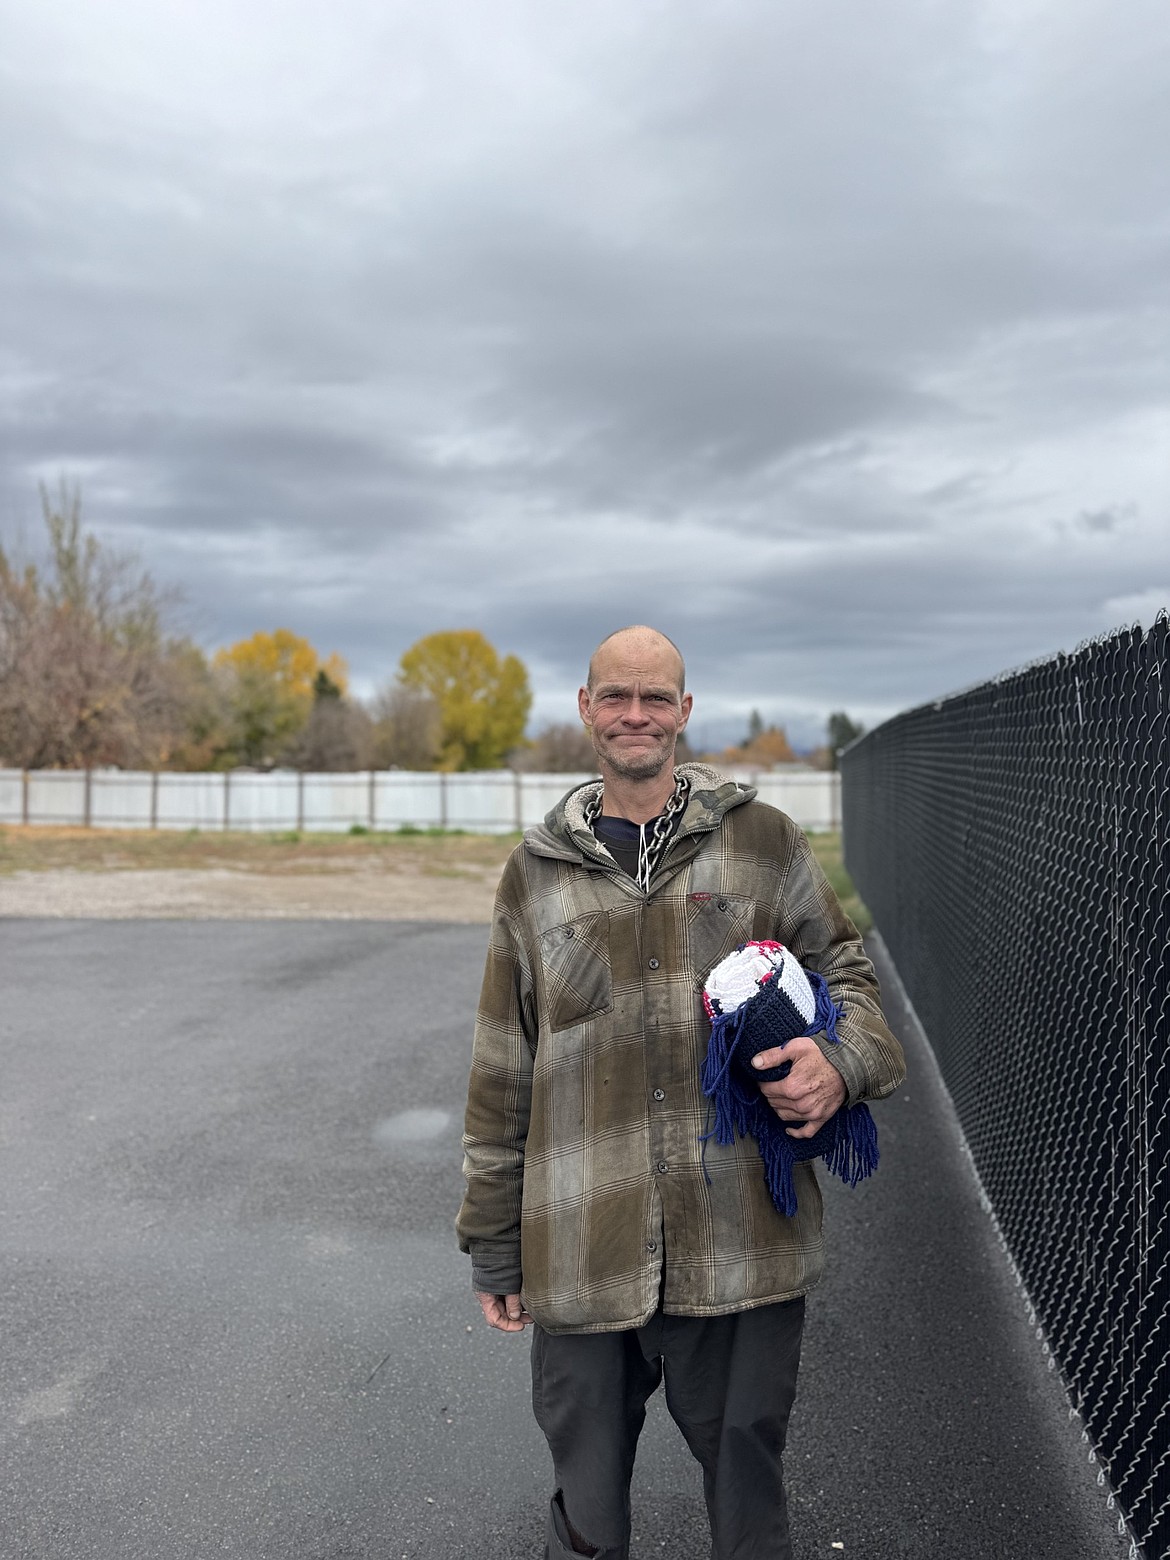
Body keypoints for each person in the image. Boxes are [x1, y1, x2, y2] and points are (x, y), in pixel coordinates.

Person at [456, 625, 905, 1560]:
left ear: (685, 711)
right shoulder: (534, 875)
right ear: (585, 709)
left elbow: (853, 981)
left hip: (741, 1243)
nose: (635, 715)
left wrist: (839, 1062)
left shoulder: (763, 843)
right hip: (582, 1245)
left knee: (748, 1489)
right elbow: (502, 1072)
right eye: (615, 696)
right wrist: (495, 1246)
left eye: (655, 697)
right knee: (588, 1515)